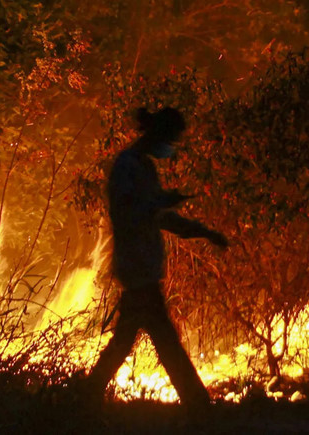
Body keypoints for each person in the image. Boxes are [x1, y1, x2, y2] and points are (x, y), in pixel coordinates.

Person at [85, 106, 228, 408]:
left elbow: (160, 215)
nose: (171, 146)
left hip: (143, 268)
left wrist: (202, 231)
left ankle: (79, 399)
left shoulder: (143, 167)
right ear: (157, 134)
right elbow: (129, 213)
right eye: (171, 138)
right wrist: (161, 203)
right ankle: (198, 406)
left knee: (127, 341)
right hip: (136, 267)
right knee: (164, 340)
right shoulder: (127, 166)